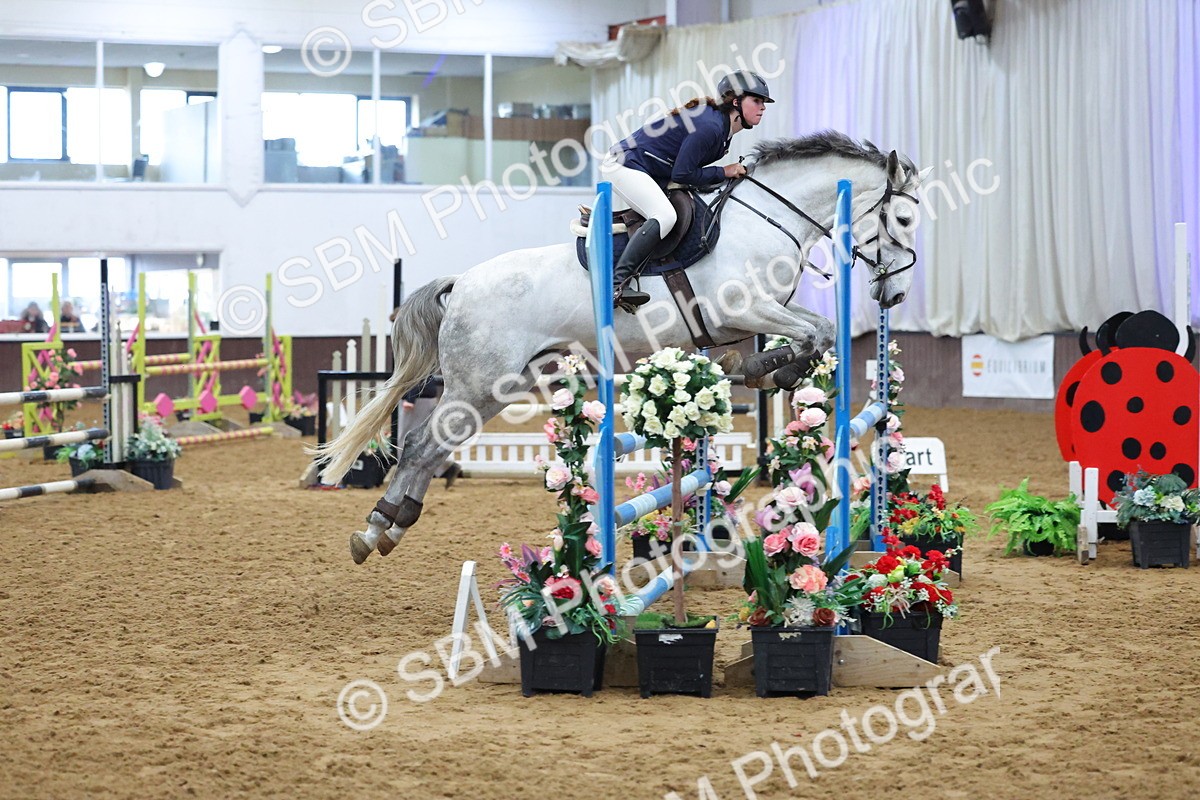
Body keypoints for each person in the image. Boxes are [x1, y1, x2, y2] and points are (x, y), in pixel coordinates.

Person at [601, 70, 774, 308]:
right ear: (736, 102)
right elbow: (682, 174)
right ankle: (616, 284)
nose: (762, 107)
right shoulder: (711, 127)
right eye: (756, 100)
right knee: (665, 216)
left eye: (763, 102)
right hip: (624, 165)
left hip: (650, 169)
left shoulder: (722, 127)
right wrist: (724, 171)